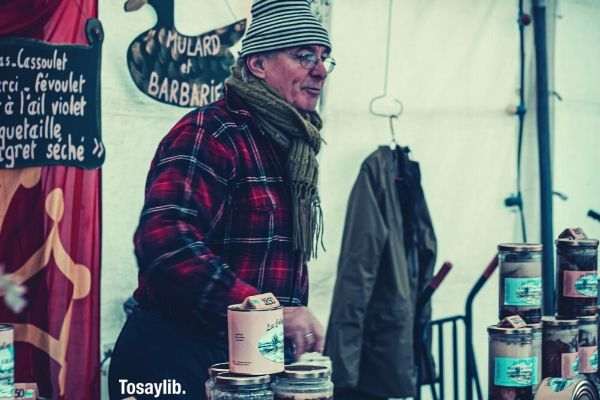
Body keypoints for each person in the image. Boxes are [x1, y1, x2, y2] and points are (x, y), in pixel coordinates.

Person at [108, 1, 335, 399]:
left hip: (244, 365)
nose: (319, 71)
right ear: (257, 64)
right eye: (303, 56)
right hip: (173, 361)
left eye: (324, 59)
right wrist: (265, 312)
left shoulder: (289, 145)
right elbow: (164, 242)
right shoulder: (211, 132)